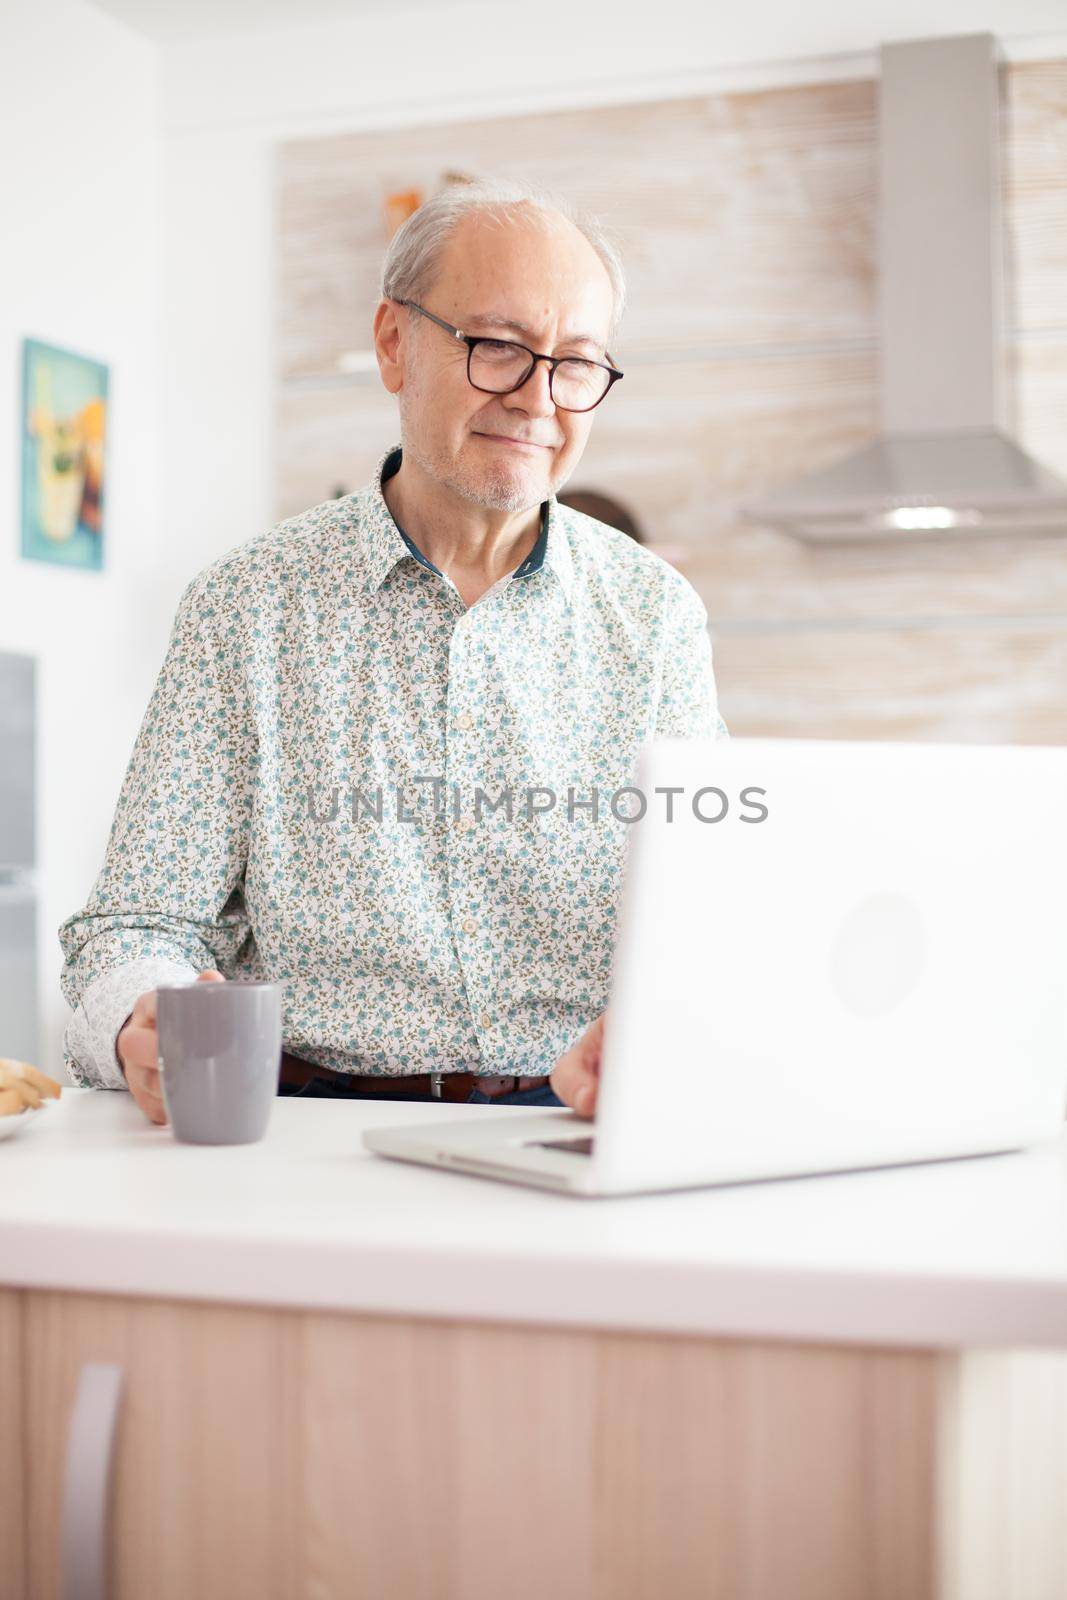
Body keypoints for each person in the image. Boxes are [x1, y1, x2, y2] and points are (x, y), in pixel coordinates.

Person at [58, 177, 727, 1127]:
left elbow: (708, 914)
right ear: (393, 344)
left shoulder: (655, 616)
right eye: (496, 347)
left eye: (575, 363)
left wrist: (668, 1020)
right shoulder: (246, 607)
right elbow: (135, 925)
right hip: (305, 1126)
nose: (538, 399)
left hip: (570, 1129)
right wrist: (140, 1018)